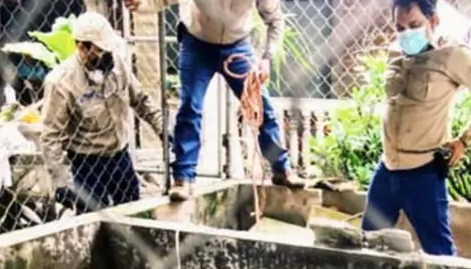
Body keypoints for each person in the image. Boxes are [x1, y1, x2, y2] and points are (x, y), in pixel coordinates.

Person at [361, 0, 471, 256]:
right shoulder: (396, 52)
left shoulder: (452, 55)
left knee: (440, 256)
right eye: (400, 27)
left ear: (434, 20)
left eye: (414, 25)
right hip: (387, 170)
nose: (406, 33)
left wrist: (465, 140)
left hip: (423, 173)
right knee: (367, 244)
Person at [122, 0, 306, 201]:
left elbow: (275, 20)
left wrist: (267, 58)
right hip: (197, 42)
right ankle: (183, 178)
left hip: (238, 44)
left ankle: (281, 169)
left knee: (260, 107)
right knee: (190, 108)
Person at [42, 12, 164, 212]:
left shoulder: (117, 65)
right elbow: (50, 137)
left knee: (133, 213)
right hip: (87, 162)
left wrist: (163, 129)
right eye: (100, 50)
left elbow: (140, 99)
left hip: (119, 156)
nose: (107, 54)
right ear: (82, 47)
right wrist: (62, 181)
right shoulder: (61, 83)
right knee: (95, 222)